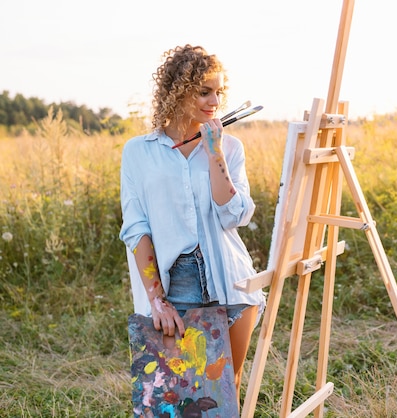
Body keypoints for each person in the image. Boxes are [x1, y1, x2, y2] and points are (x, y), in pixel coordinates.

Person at [119, 44, 265, 404]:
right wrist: (158, 301)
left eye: (219, 91)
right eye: (204, 91)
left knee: (223, 397)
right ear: (177, 91)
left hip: (231, 284)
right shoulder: (139, 151)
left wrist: (215, 153)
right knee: (175, 399)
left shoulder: (229, 147)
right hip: (175, 287)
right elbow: (136, 229)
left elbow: (236, 216)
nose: (215, 101)